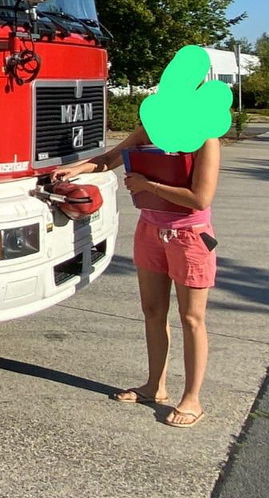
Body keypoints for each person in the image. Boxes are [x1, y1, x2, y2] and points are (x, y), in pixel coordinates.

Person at [53, 125, 219, 428]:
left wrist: (148, 185)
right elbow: (109, 158)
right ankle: (155, 386)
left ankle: (192, 398)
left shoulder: (205, 139)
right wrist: (72, 170)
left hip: (190, 236)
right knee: (153, 311)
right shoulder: (152, 130)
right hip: (150, 230)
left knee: (191, 317)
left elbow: (200, 198)